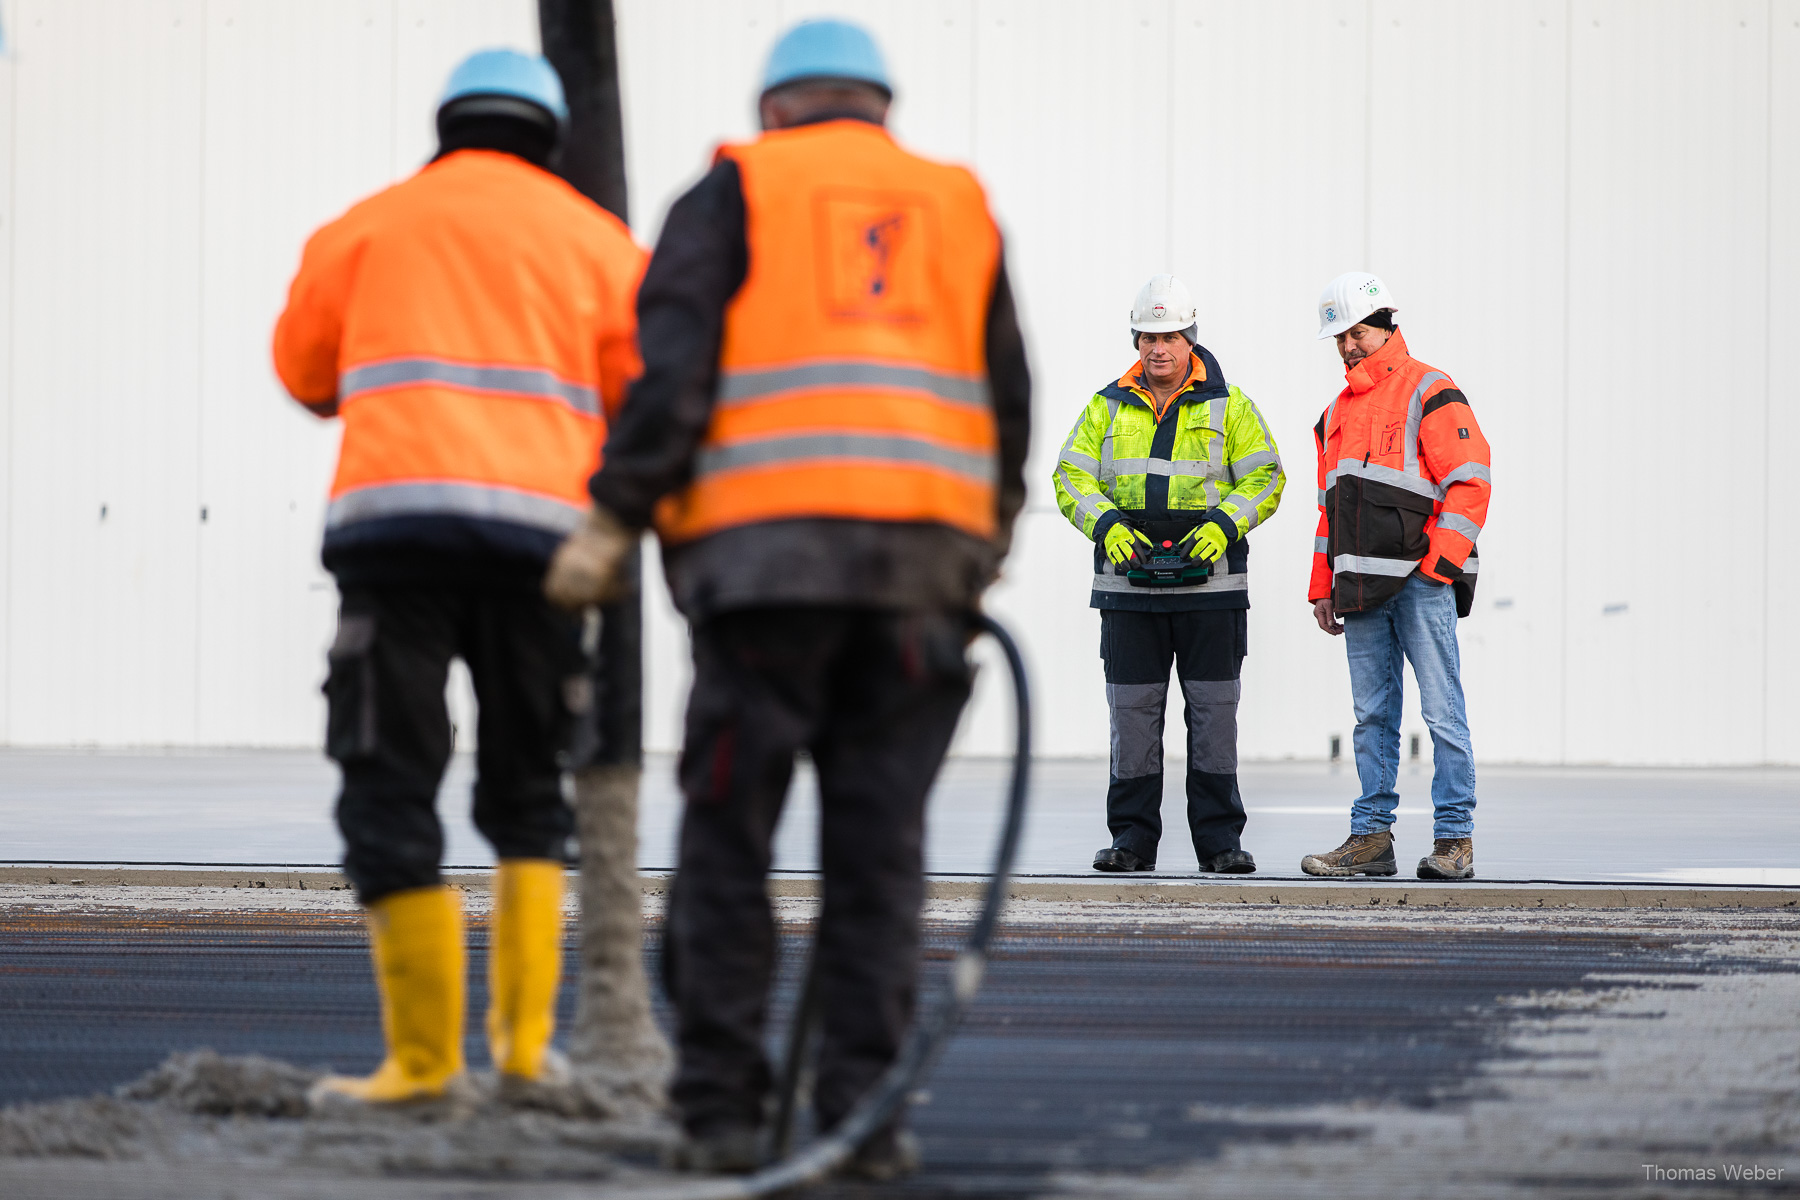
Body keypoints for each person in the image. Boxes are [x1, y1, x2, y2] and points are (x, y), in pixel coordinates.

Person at [542, 18, 1030, 1178]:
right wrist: (984, 543)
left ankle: (719, 1112)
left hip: (764, 582)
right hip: (919, 585)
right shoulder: (957, 204)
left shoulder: (732, 190)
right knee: (879, 854)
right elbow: (1010, 393)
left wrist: (615, 513)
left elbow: (673, 376)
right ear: (880, 107)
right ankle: (864, 1122)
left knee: (730, 837)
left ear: (775, 109)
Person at [271, 49, 647, 1105]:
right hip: (543, 547)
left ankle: (421, 1065)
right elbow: (643, 391)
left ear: (447, 127)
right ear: (550, 134)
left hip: (395, 537)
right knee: (530, 787)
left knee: (389, 773)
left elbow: (305, 373)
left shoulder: (365, 227)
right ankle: (525, 1057)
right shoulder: (598, 242)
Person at [1053, 276, 1285, 876]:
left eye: (1171, 335)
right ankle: (1131, 842)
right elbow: (1069, 477)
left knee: (1213, 718)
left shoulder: (1230, 407)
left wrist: (1226, 525)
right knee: (1132, 719)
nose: (1160, 348)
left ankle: (1220, 845)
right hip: (1128, 593)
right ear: (1136, 339)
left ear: (1191, 337)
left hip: (1212, 592)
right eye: (1149, 336)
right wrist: (1105, 523)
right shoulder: (1104, 407)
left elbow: (1266, 477)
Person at [1300, 272, 1491, 881]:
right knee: (1372, 716)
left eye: (1356, 332)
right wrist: (1322, 585)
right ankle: (1371, 838)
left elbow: (1470, 480)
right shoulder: (1336, 412)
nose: (1348, 345)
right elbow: (1330, 505)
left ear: (1385, 324)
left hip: (1419, 583)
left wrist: (1439, 566)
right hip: (1359, 588)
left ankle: (1454, 840)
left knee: (1441, 711)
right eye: (1340, 337)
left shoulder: (1429, 388)